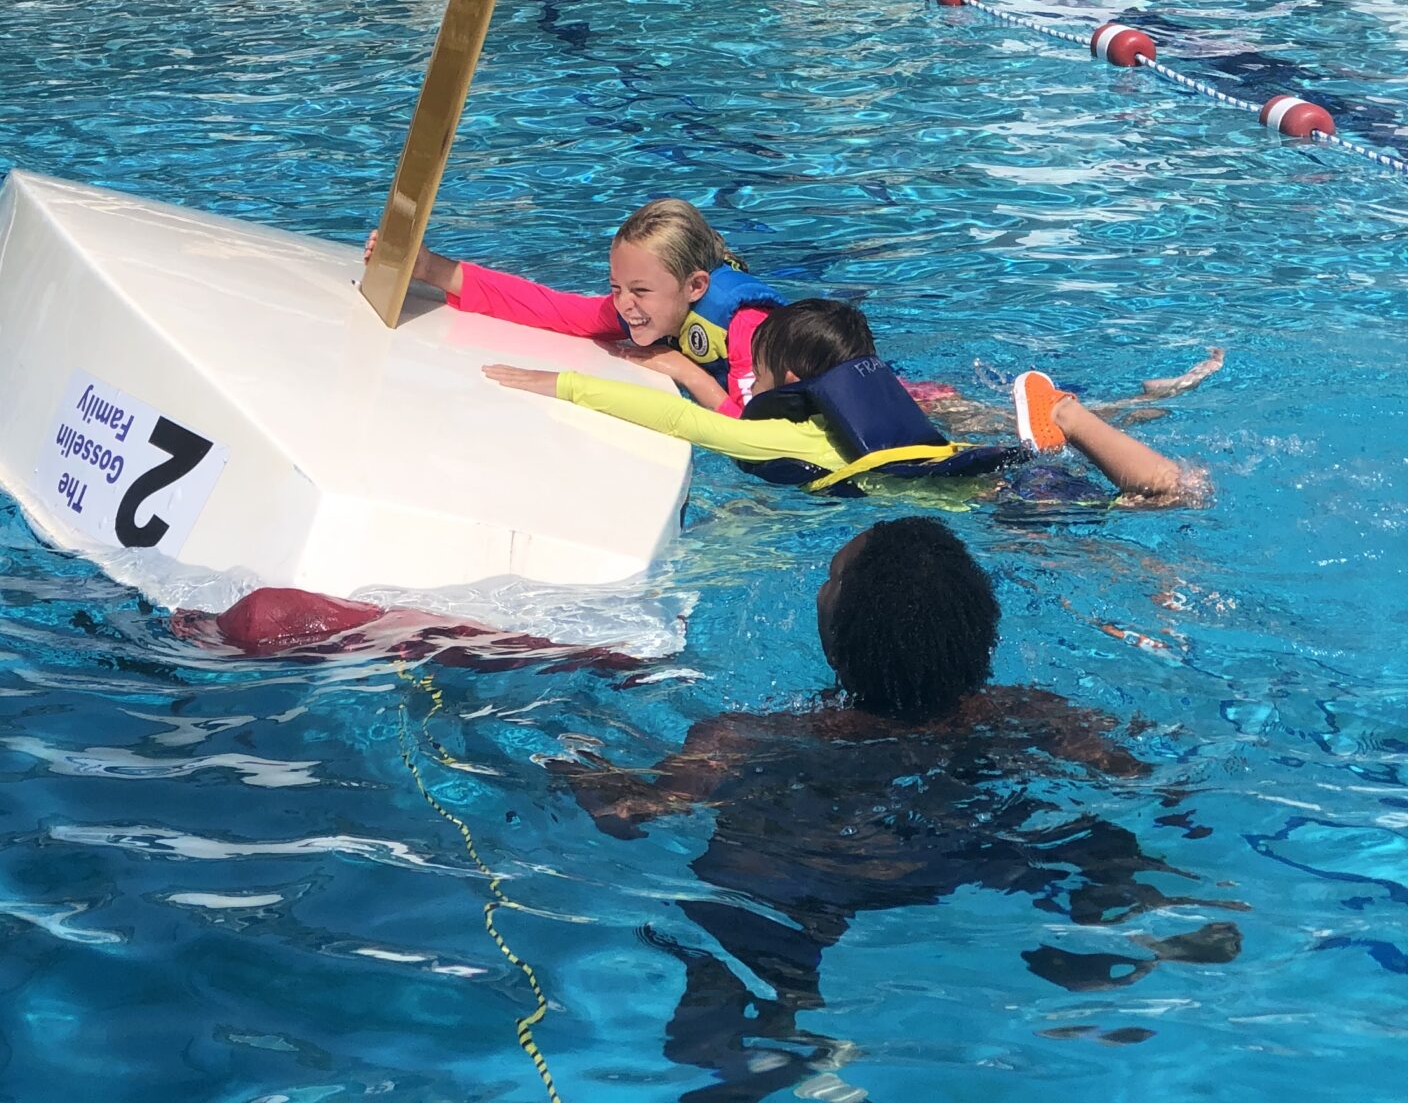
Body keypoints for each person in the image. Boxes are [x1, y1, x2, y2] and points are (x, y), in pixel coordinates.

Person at [567, 522, 1239, 1095]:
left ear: (833, 642)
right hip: (971, 845)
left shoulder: (746, 735)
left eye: (829, 579)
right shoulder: (1031, 714)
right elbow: (1146, 780)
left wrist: (568, 758)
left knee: (723, 948)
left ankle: (772, 1034)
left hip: (810, 868)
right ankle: (1128, 910)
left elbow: (631, 813)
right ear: (985, 636)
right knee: (1078, 839)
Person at [487, 298, 1210, 504]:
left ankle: (1072, 416)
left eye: (761, 373)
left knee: (1161, 503)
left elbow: (685, 421)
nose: (752, 384)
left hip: (991, 498)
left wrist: (562, 384)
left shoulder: (785, 440)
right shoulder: (890, 409)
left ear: (797, 379)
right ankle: (1078, 414)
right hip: (975, 468)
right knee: (1173, 492)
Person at [378, 197, 782, 413]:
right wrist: (432, 269)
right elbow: (549, 309)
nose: (624, 304)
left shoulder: (747, 327)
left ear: (695, 286)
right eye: (615, 287)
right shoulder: (642, 309)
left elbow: (756, 433)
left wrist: (688, 373)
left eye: (640, 291)